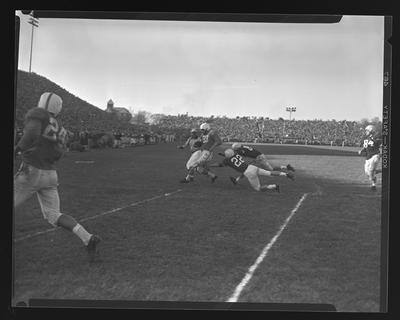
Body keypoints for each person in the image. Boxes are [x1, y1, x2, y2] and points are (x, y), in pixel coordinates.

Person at [14, 92, 101, 262]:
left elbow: (31, 132)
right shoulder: (60, 127)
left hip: (32, 170)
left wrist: (18, 148)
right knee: (54, 215)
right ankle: (88, 238)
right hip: (50, 174)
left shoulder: (38, 115)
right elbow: (60, 153)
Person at [217, 148, 295, 192]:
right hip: (252, 167)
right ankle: (286, 174)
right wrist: (223, 154)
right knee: (270, 173)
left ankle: (274, 186)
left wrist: (212, 165)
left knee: (258, 188)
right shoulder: (236, 154)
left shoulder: (227, 160)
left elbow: (221, 164)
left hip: (248, 172)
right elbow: (231, 156)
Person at [229, 142, 295, 185]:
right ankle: (286, 167)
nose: (235, 150)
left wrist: (228, 156)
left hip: (259, 158)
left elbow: (237, 155)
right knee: (271, 169)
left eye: (235, 149)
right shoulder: (243, 147)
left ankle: (236, 180)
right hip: (259, 157)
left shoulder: (241, 150)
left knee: (247, 170)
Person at [358, 124, 382, 191]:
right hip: (368, 157)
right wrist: (361, 150)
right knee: (367, 173)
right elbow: (365, 147)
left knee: (371, 170)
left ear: (371, 131)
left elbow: (381, 144)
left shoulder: (376, 137)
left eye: (367, 130)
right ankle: (379, 171)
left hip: (375, 155)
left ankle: (373, 185)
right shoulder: (365, 139)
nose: (366, 132)